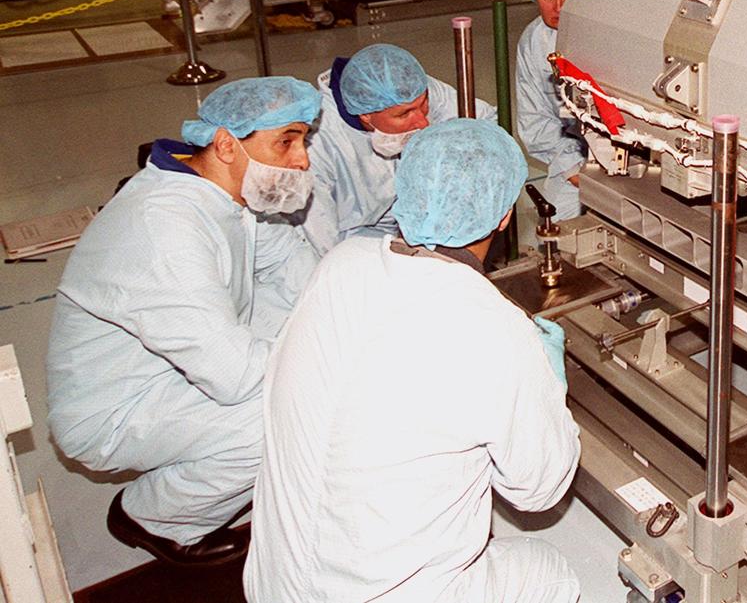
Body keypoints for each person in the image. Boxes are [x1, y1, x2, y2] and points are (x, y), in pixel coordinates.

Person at [245, 119, 581, 603]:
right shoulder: (493, 325)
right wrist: (550, 386)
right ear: (506, 215)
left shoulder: (340, 264)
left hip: (274, 587)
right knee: (551, 572)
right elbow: (539, 492)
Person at [45, 77, 321, 566]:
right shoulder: (164, 225)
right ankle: (156, 518)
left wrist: (351, 312)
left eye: (302, 140)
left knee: (305, 317)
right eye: (287, 140)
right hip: (115, 404)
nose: (301, 159)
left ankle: (218, 463)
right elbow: (234, 375)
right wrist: (334, 353)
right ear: (225, 144)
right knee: (285, 413)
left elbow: (289, 266)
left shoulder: (224, 194)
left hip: (173, 360)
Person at [303, 42, 496, 255]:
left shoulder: (407, 89)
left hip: (414, 222)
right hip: (355, 244)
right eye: (404, 115)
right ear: (366, 116)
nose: (422, 121)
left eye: (423, 105)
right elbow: (324, 247)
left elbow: (486, 125)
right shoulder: (317, 144)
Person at [517, 0, 589, 220]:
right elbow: (534, 118)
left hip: (631, 152)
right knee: (554, 223)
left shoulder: (608, 34)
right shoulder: (534, 42)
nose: (558, 6)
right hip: (572, 149)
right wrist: (572, 169)